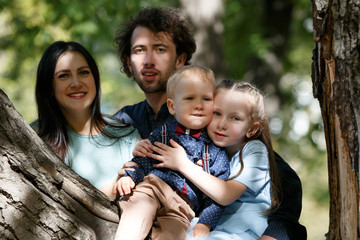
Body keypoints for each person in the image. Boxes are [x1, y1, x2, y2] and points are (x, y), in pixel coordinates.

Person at [113, 6, 306, 240]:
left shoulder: (210, 123)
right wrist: (126, 172)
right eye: (139, 50)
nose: (148, 60)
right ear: (128, 60)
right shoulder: (124, 121)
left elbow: (282, 187)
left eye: (160, 49)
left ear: (181, 59)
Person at [146, 80, 281, 239]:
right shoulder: (207, 148)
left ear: (252, 129)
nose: (222, 124)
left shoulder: (255, 150)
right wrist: (146, 147)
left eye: (235, 118)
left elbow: (226, 194)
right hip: (211, 228)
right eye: (216, 113)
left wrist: (183, 164)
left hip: (240, 233)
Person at [114, 66, 230, 240]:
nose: (198, 105)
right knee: (136, 214)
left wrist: (205, 223)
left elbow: (216, 194)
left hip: (182, 207)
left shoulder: (215, 149)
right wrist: (130, 176)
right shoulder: (164, 133)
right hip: (153, 187)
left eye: (206, 99)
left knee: (173, 234)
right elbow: (145, 159)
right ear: (172, 106)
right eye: (190, 98)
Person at [31, 41, 139, 200]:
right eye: (63, 75)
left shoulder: (127, 137)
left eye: (83, 72)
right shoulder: (36, 138)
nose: (76, 83)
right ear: (49, 88)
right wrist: (114, 187)